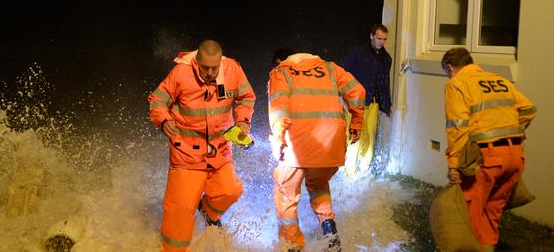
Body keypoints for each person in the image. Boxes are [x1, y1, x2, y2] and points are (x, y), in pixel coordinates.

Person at [147, 39, 256, 252]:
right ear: (196, 61)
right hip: (186, 154)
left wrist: (243, 121)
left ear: (221, 62)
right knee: (180, 212)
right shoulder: (180, 73)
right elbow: (156, 100)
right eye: (204, 67)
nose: (209, 72)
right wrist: (164, 120)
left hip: (219, 152)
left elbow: (246, 97)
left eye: (214, 67)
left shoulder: (232, 69)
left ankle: (207, 211)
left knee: (231, 191)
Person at [268, 48, 366, 251]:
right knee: (318, 184)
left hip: (298, 146)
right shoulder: (330, 68)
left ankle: (293, 246)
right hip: (331, 146)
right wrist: (356, 123)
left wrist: (278, 139)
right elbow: (358, 91)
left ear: (280, 61)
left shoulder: (281, 72)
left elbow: (280, 107)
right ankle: (330, 233)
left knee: (285, 192)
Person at [441, 47, 537, 251]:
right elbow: (529, 109)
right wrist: (505, 130)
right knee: (492, 214)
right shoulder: (499, 80)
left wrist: (453, 166)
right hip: (515, 157)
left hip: (485, 160)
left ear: (450, 68)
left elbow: (457, 127)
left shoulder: (457, 84)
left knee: (470, 216)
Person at [342, 23, 393, 174]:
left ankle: (363, 171)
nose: (381, 42)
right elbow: (343, 74)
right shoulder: (358, 52)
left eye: (384, 39)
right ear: (371, 36)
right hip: (355, 102)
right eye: (379, 38)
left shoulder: (385, 58)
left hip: (373, 102)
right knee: (354, 136)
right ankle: (349, 173)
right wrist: (341, 96)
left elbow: (384, 82)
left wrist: (388, 103)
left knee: (369, 138)